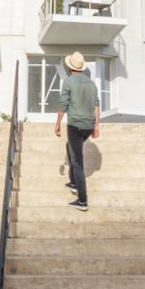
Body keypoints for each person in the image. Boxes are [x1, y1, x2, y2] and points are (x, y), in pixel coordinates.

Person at [54, 51, 100, 210]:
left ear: (69, 67)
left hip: (75, 125)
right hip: (88, 125)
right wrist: (96, 126)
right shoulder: (91, 83)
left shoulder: (68, 81)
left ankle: (82, 200)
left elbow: (62, 105)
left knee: (77, 162)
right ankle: (73, 181)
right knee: (70, 147)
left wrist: (58, 123)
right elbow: (96, 105)